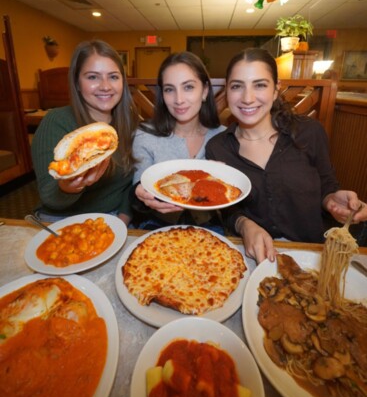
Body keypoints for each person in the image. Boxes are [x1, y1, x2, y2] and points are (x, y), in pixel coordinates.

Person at [205, 48, 367, 263]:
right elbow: (226, 210)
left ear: (275, 90)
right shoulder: (218, 147)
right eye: (237, 86)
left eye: (260, 85)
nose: (247, 98)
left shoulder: (309, 132)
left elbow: (327, 185)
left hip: (310, 256)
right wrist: (244, 224)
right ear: (227, 91)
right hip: (252, 258)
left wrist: (331, 200)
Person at [31, 40, 139, 225]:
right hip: (62, 220)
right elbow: (49, 197)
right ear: (77, 83)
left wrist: (122, 220)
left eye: (113, 76)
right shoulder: (56, 121)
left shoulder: (131, 122)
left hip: (112, 219)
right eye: (92, 77)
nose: (105, 86)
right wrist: (69, 188)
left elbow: (131, 185)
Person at [131, 51, 225, 229]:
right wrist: (139, 194)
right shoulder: (144, 135)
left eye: (188, 87)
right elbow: (139, 183)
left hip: (210, 228)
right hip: (155, 224)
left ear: (204, 91)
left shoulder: (223, 137)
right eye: (169, 89)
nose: (179, 99)